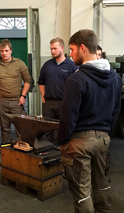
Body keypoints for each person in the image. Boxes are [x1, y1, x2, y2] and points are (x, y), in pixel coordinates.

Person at [58, 29, 122, 213]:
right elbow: (116, 109)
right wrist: (105, 131)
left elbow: (68, 115)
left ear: (82, 48)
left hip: (80, 143)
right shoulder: (115, 78)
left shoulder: (76, 79)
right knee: (101, 184)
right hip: (103, 140)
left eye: (71, 49)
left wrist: (63, 141)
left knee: (82, 192)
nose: (70, 54)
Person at [0, 39, 31, 144]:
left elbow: (28, 80)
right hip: (1, 102)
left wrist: (23, 96)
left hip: (16, 101)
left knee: (20, 127)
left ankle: (21, 150)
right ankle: (7, 151)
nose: (4, 53)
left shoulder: (19, 63)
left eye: (6, 50)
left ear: (11, 50)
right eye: (2, 51)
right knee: (5, 128)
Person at [38, 38, 78, 143]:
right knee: (47, 128)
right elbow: (41, 82)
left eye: (55, 48)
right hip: (48, 103)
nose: (52, 51)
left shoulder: (72, 66)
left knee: (63, 128)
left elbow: (76, 85)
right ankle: (48, 150)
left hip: (64, 103)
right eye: (51, 49)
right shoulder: (47, 65)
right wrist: (43, 95)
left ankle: (61, 152)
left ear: (62, 48)